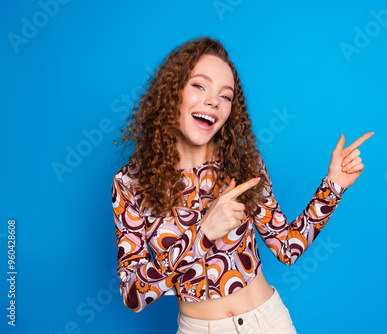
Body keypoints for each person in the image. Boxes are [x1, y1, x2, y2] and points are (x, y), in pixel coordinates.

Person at [111, 36, 373, 333]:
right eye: (199, 85)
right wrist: (202, 235)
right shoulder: (130, 184)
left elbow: (288, 247)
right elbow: (132, 294)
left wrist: (334, 186)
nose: (213, 101)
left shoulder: (242, 163)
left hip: (269, 322)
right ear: (172, 92)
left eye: (226, 96)